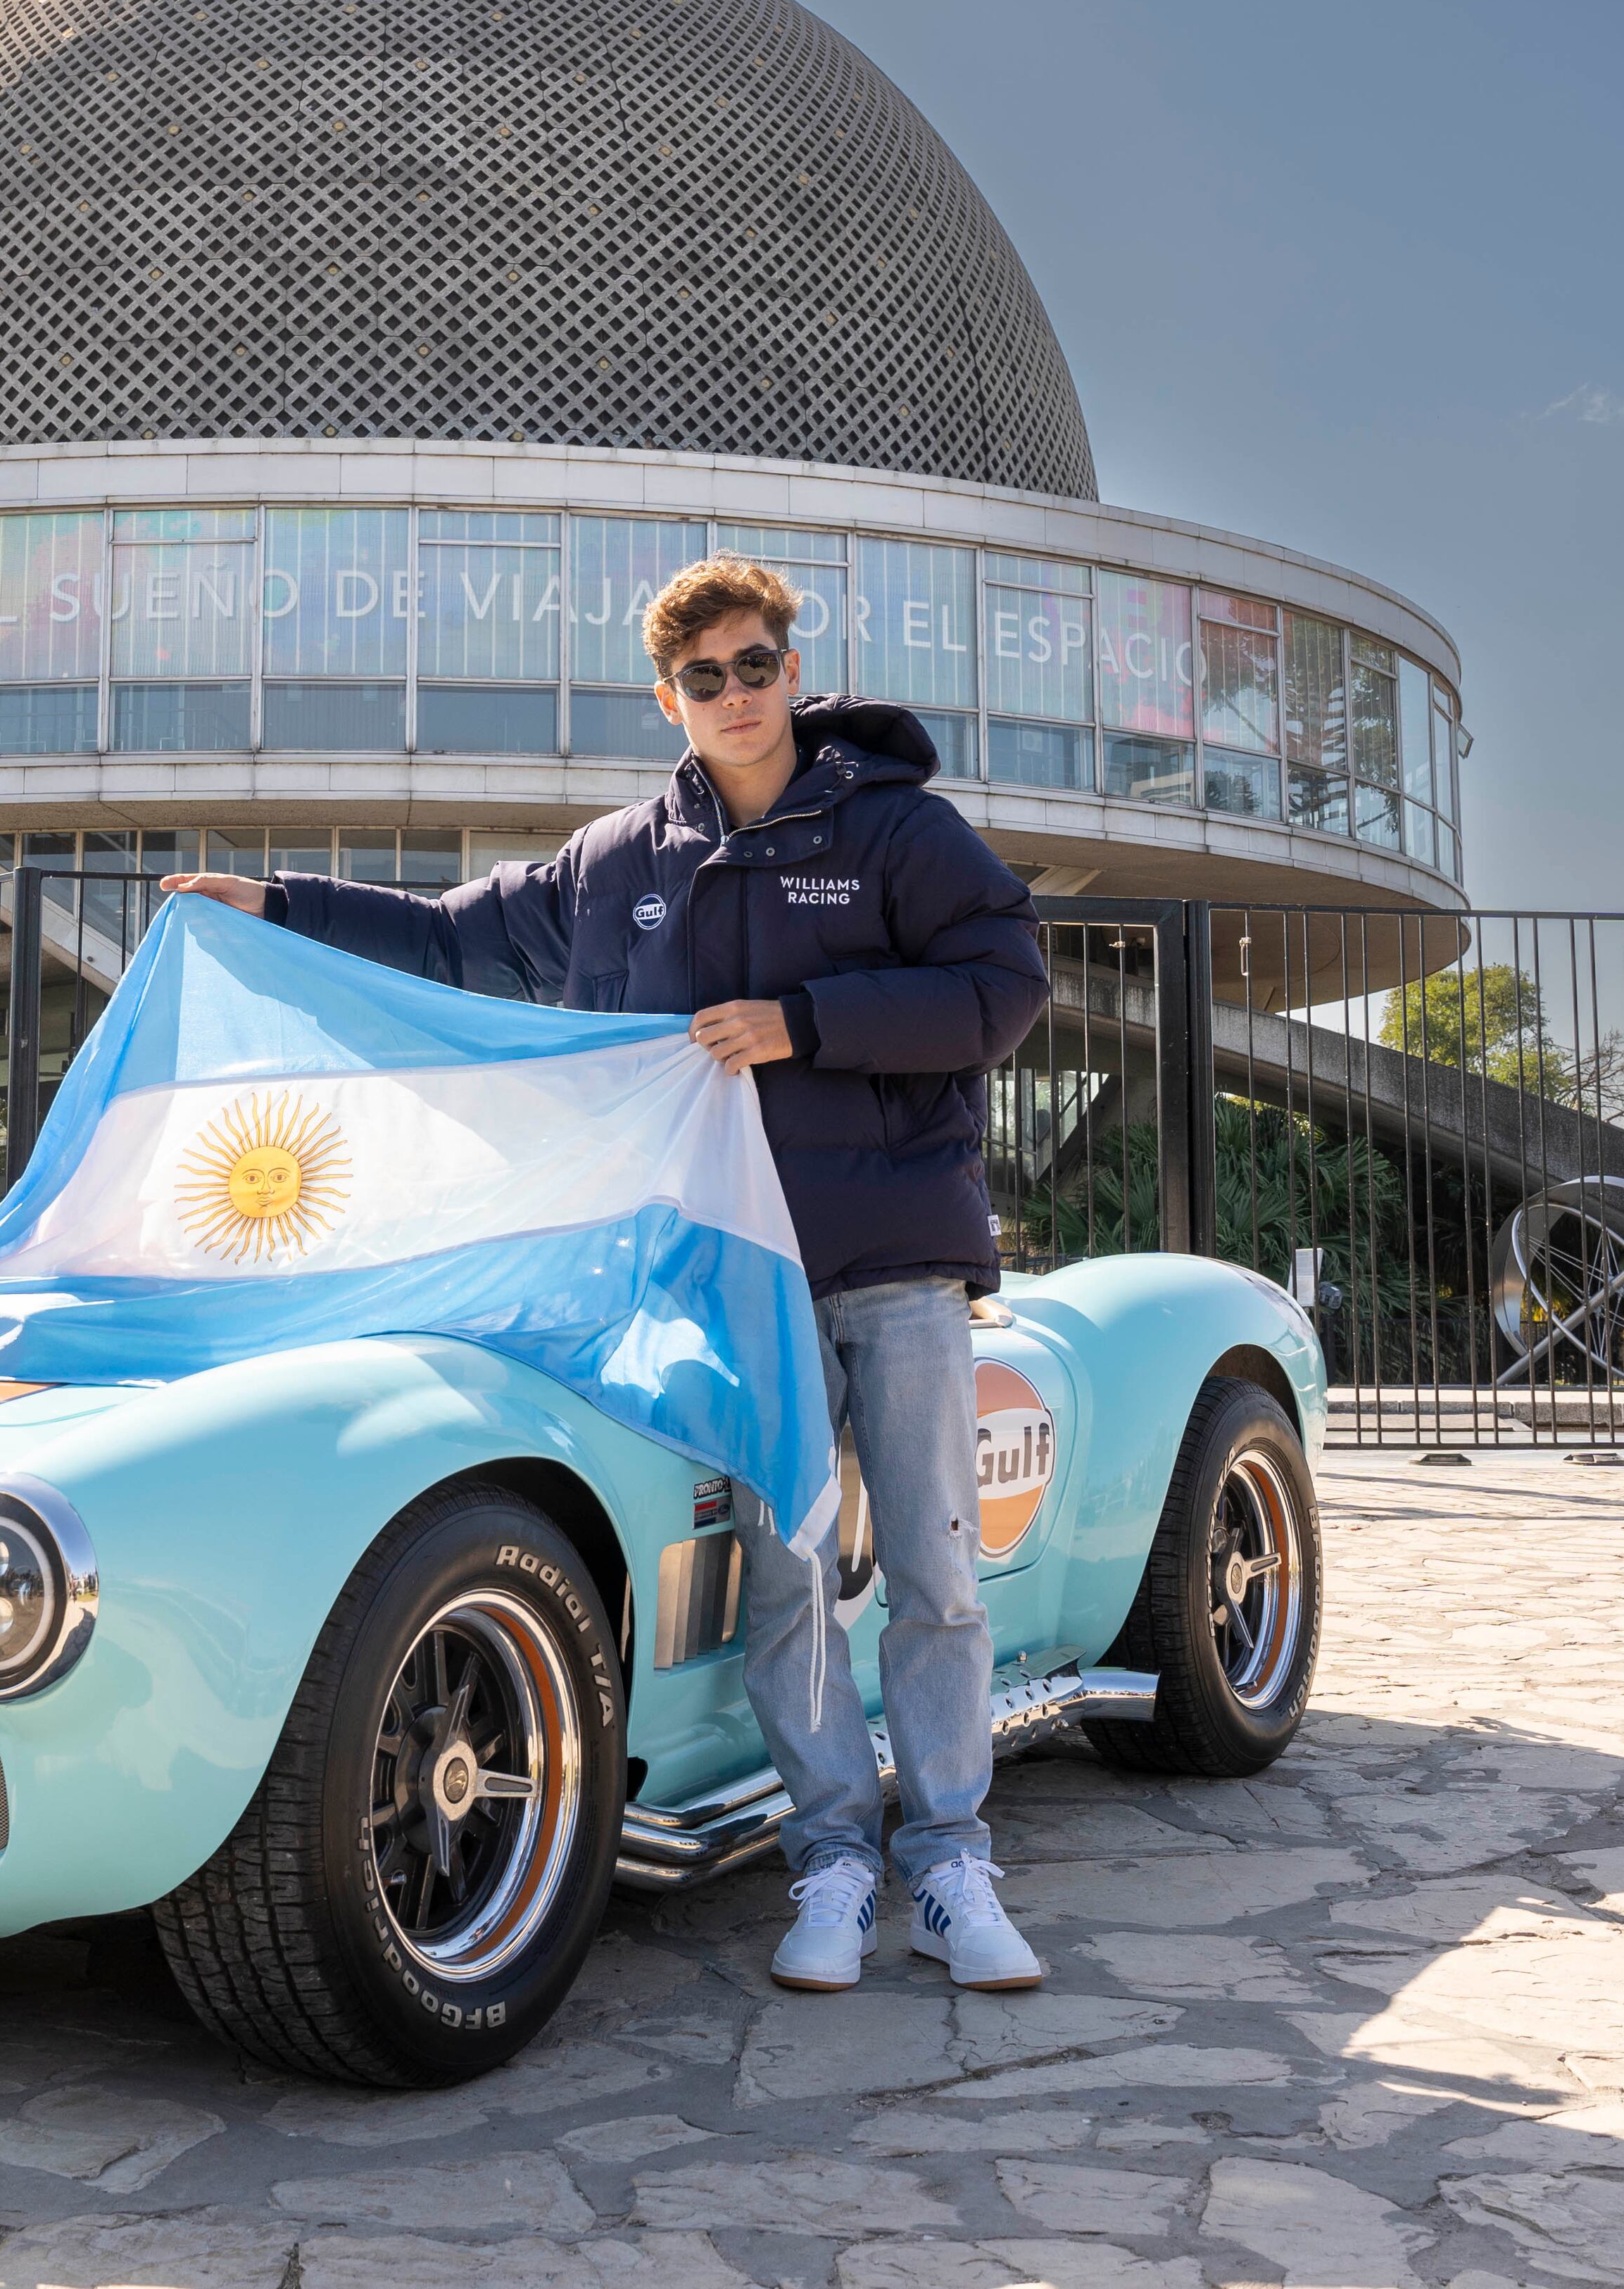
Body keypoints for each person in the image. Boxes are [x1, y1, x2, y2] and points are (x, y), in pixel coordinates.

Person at [161, 556, 1052, 1995]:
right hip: (722, 1282)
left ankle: (949, 1859)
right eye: (705, 679)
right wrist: (269, 901)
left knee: (937, 1571)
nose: (735, 696)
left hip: (888, 1258)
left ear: (789, 669)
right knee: (789, 1576)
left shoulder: (896, 828)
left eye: (756, 666)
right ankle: (830, 1855)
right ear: (669, 698)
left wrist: (804, 1022)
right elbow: (451, 933)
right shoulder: (622, 860)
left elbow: (1005, 986)